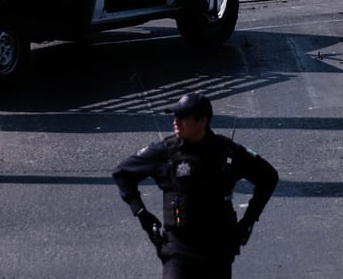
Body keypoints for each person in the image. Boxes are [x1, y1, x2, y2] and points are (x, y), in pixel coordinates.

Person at [112, 93, 278, 278]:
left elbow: (268, 177)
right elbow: (123, 173)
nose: (176, 121)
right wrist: (141, 212)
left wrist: (248, 221)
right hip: (179, 249)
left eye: (183, 117)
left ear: (202, 121)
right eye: (175, 116)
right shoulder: (165, 152)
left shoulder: (227, 152)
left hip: (218, 249)